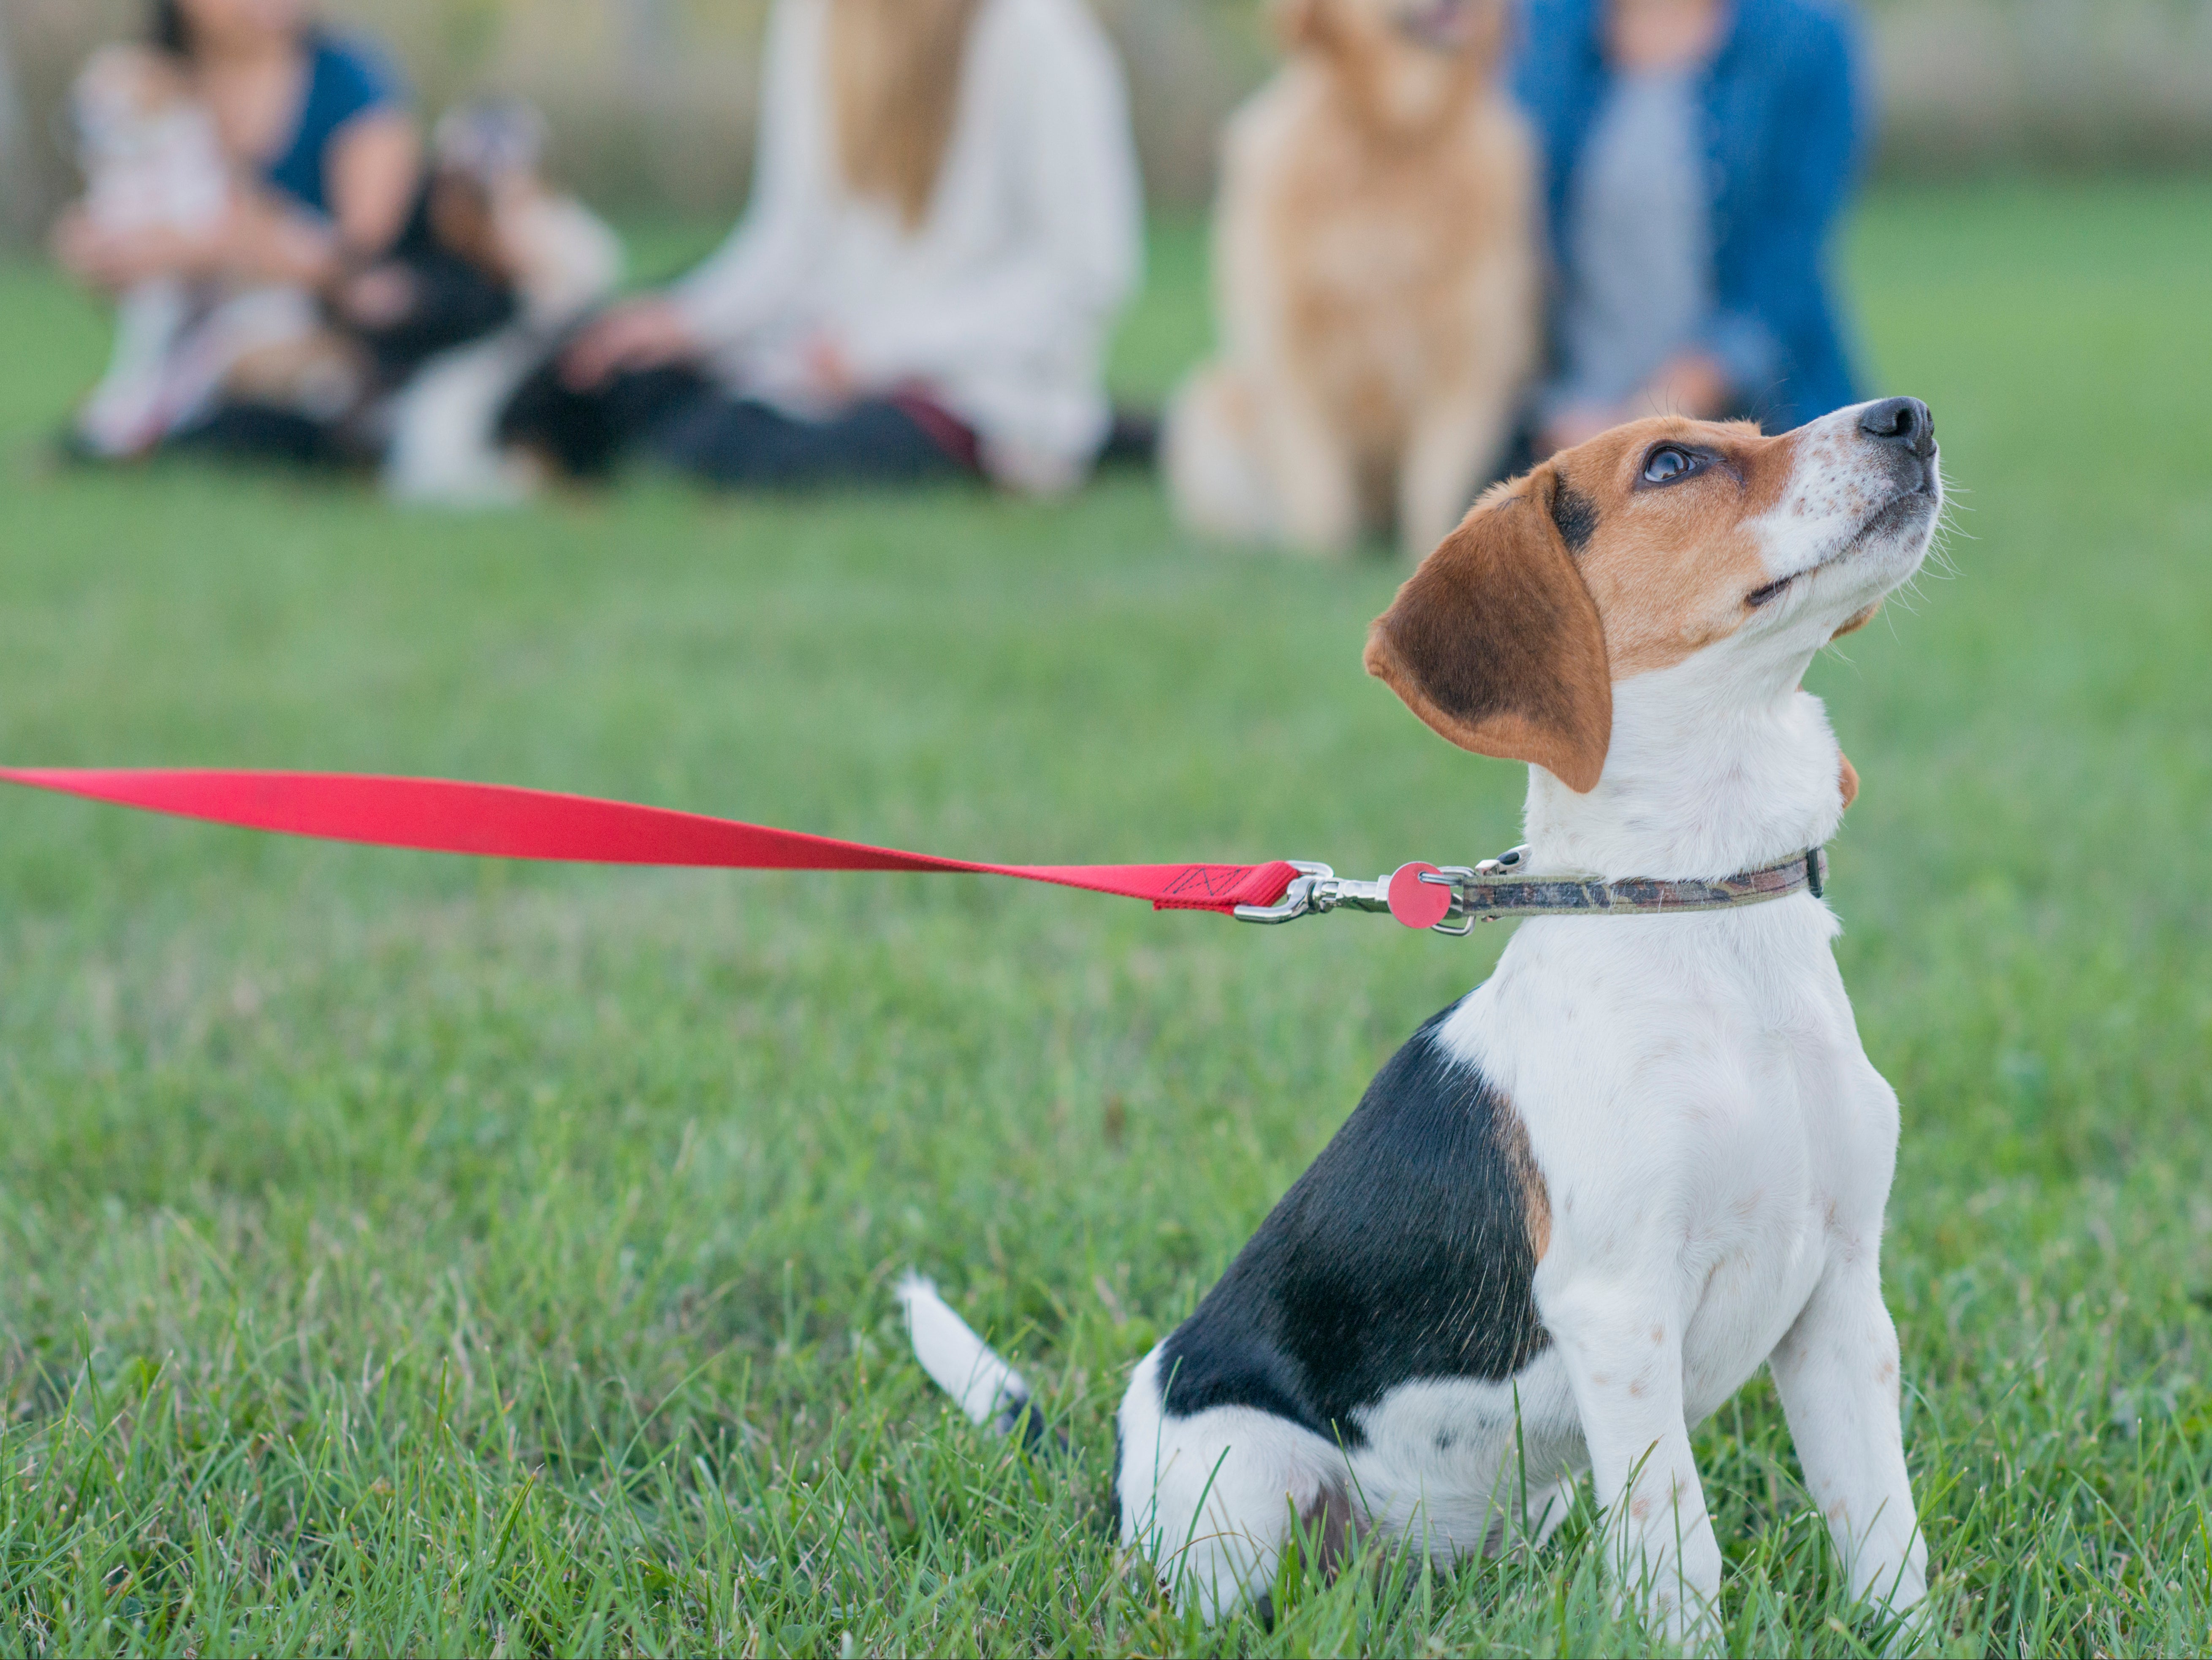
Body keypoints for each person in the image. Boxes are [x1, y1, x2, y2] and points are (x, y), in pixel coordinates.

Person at [499, 0, 1143, 497]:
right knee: (595, 372)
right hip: (817, 349)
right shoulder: (815, 16)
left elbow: (1086, 271)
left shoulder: (1037, 32)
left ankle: (1097, 436)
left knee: (735, 451)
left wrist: (877, 352)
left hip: (971, 381)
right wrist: (687, 320)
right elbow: (790, 234)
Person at [53, 0, 418, 460]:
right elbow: (110, 200)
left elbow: (361, 252)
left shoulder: (350, 78)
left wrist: (205, 247)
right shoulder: (145, 75)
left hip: (318, 330)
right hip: (187, 322)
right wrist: (94, 246)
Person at [1514, 0, 1865, 455]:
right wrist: (1550, 412)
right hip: (1558, 425)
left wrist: (1637, 422)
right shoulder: (1537, 28)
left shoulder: (1807, 38)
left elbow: (1780, 278)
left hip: (1754, 428)